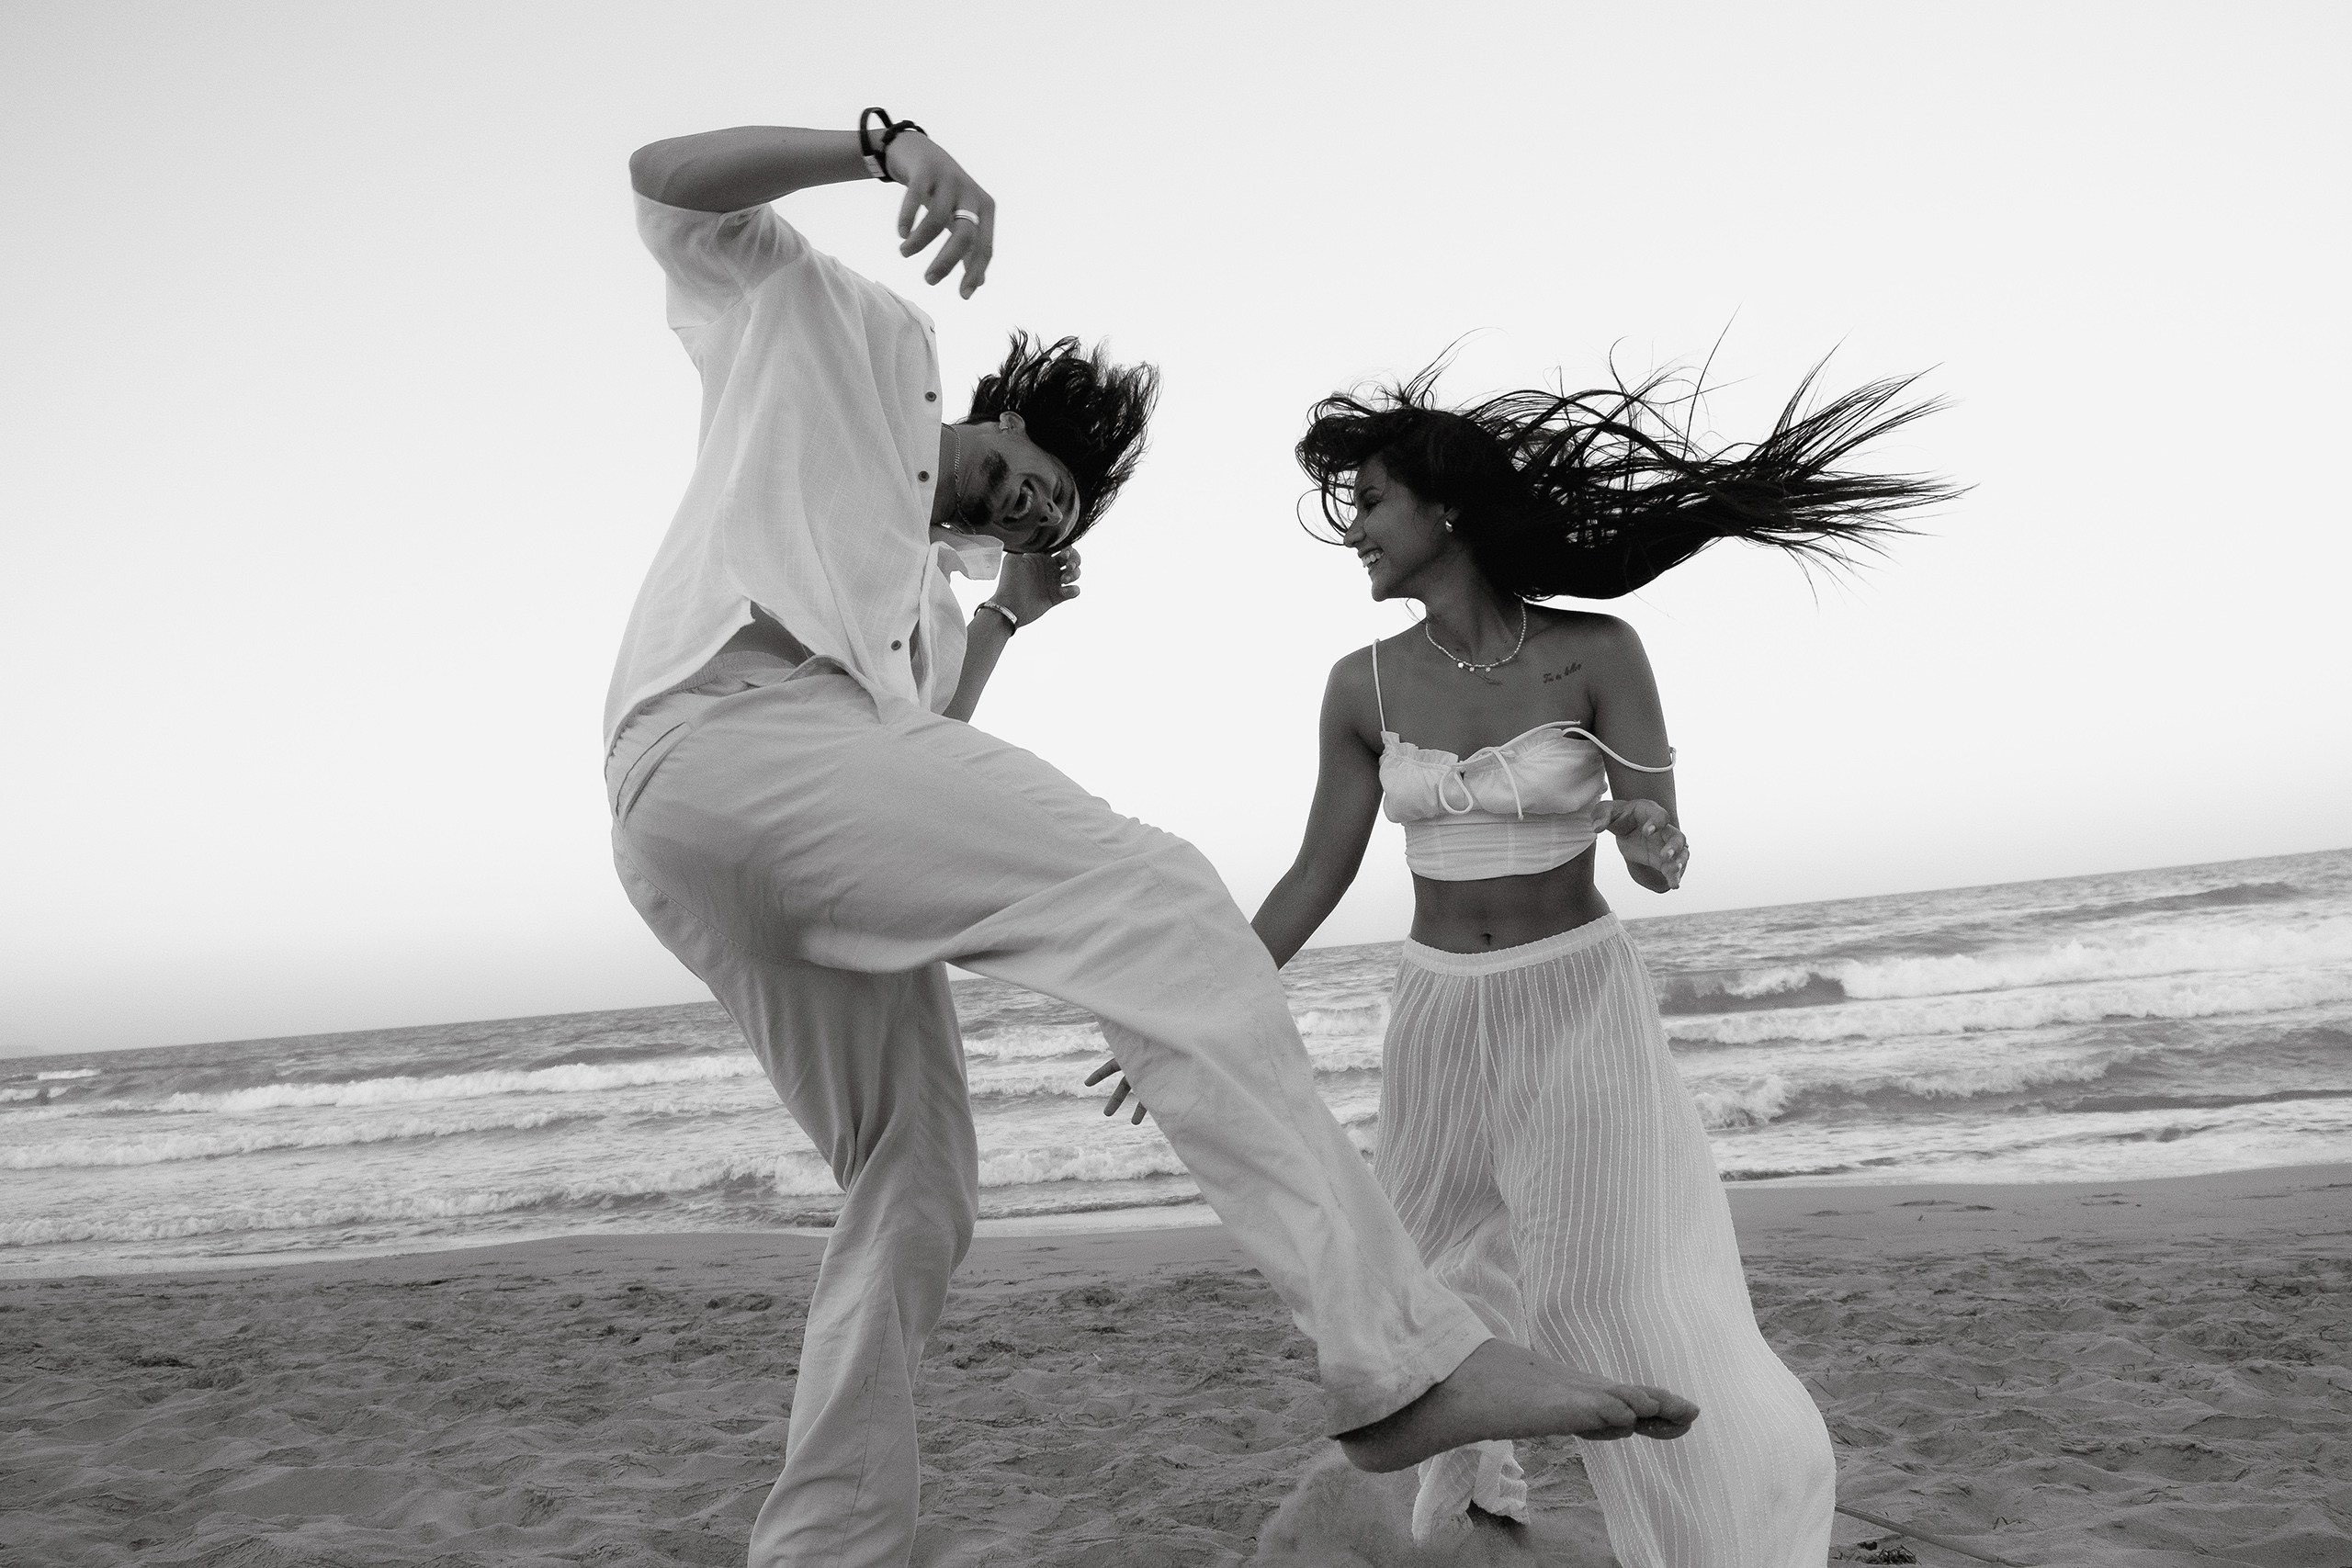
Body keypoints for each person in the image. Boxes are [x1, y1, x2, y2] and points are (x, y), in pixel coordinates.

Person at [601, 113, 1699, 1568]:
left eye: (1051, 509)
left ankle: (821, 1554)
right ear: (986, 412)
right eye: (1024, 471)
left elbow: (918, 755)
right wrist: (881, 144)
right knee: (1164, 898)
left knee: (916, 1181)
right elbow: (662, 186)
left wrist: (998, 617)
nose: (1024, 503)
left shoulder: (914, 609)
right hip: (724, 741)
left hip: (724, 826)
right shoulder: (849, 331)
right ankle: (1399, 1363)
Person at [1093, 363, 1953, 1563]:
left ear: (1444, 509)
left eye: (1373, 502)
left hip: (1579, 1002)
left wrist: (1652, 838)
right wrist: (1190, 1008)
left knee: (1618, 1297)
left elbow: (1663, 848)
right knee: (1415, 1282)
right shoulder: (1363, 684)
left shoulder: (1598, 652)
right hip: (1441, 1017)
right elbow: (1314, 876)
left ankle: (1713, 1534)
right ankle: (1477, 1507)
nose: (1356, 531)